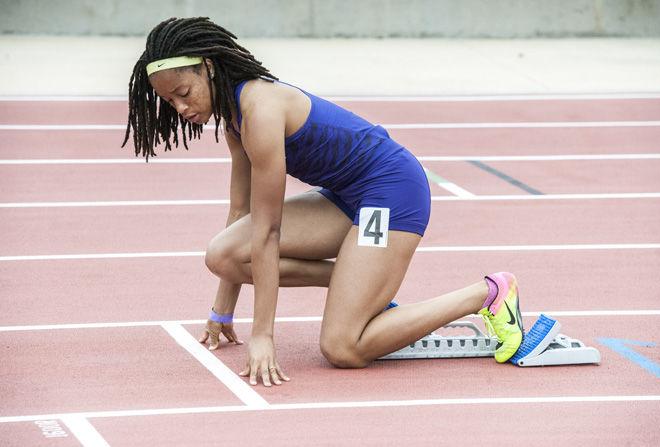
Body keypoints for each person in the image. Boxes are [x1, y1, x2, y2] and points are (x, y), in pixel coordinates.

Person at [123, 17, 524, 387]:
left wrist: (262, 335)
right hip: (346, 196)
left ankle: (487, 294)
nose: (181, 108)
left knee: (343, 348)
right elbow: (240, 216)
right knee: (222, 253)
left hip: (390, 192)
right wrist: (221, 312)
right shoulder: (234, 120)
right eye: (170, 103)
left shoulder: (260, 110)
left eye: (183, 93)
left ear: (208, 66)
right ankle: (356, 282)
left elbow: (268, 230)